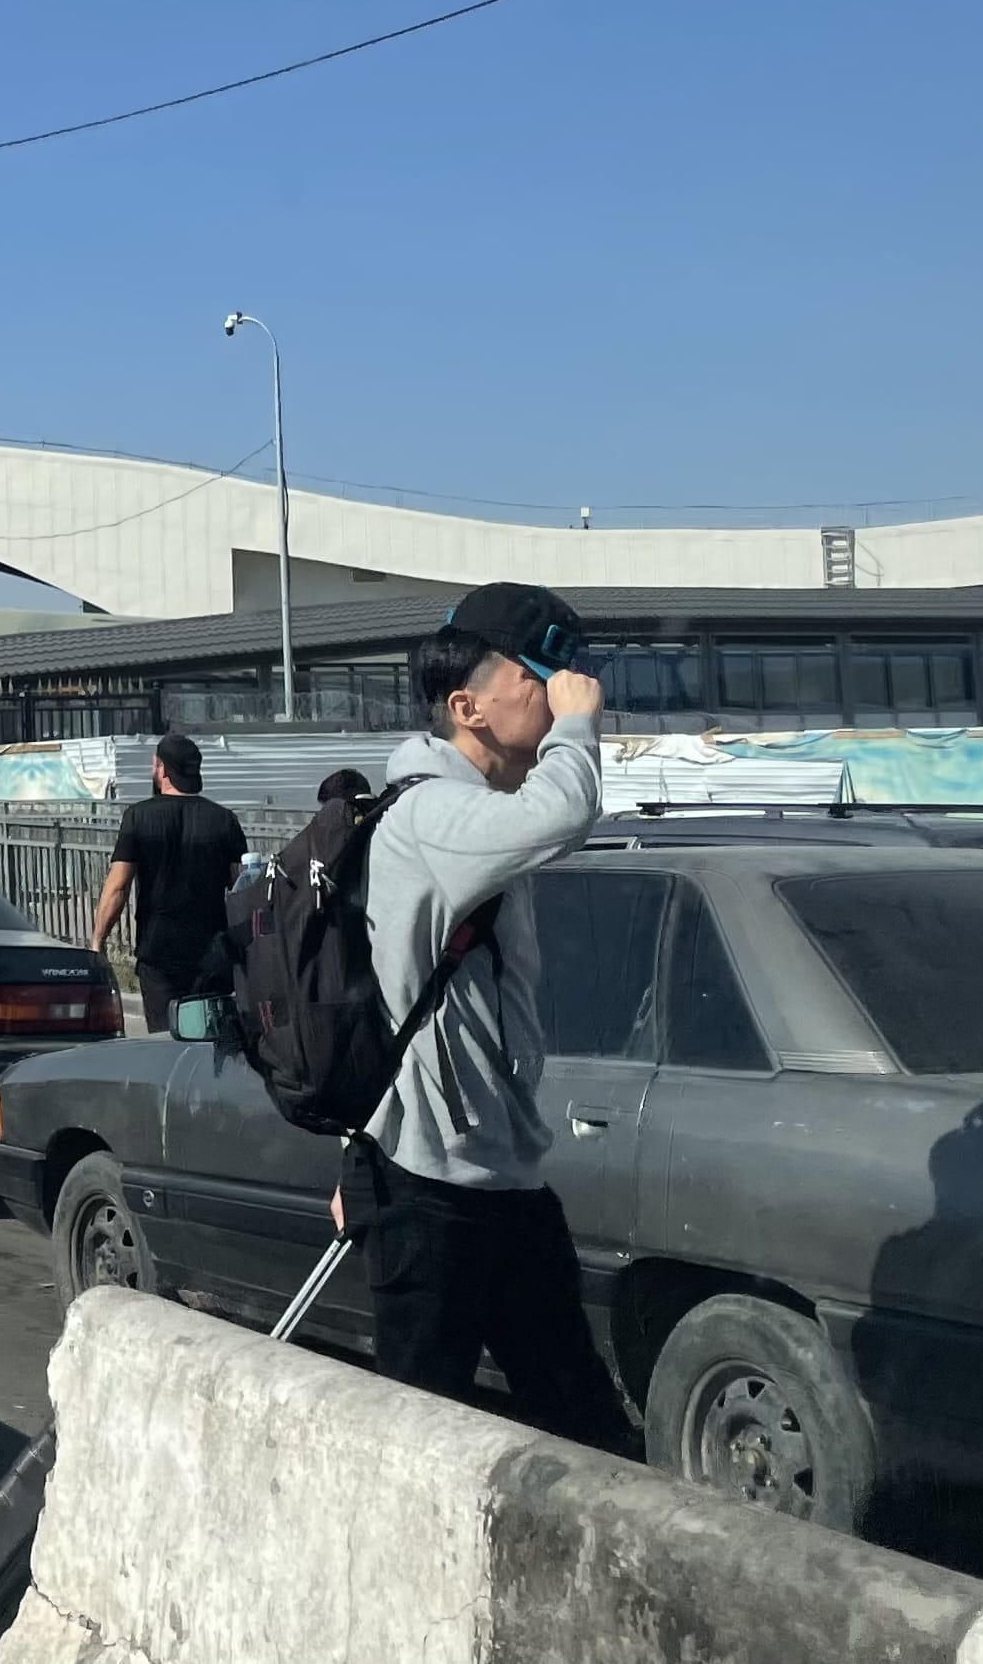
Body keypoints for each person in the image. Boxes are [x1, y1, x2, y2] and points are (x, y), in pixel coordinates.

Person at [336, 581, 633, 1452]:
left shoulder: (472, 815)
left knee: (582, 1433)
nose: (567, 691)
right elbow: (566, 812)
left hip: (501, 1176)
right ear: (466, 706)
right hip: (429, 1187)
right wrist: (577, 731)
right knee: (423, 1436)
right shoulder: (430, 813)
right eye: (540, 677)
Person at [92, 733, 246, 1034]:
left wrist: (98, 941)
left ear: (161, 769)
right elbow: (242, 886)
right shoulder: (224, 820)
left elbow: (118, 887)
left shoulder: (138, 818)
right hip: (212, 950)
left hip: (159, 951)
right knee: (211, 1039)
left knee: (164, 1040)